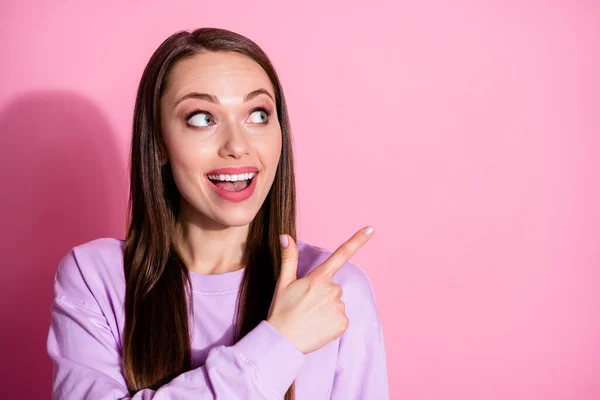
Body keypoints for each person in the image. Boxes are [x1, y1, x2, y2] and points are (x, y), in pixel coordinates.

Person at [46, 27, 389, 399]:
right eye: (202, 118)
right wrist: (280, 343)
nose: (237, 146)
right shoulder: (95, 278)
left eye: (258, 114)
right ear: (159, 143)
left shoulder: (333, 292)